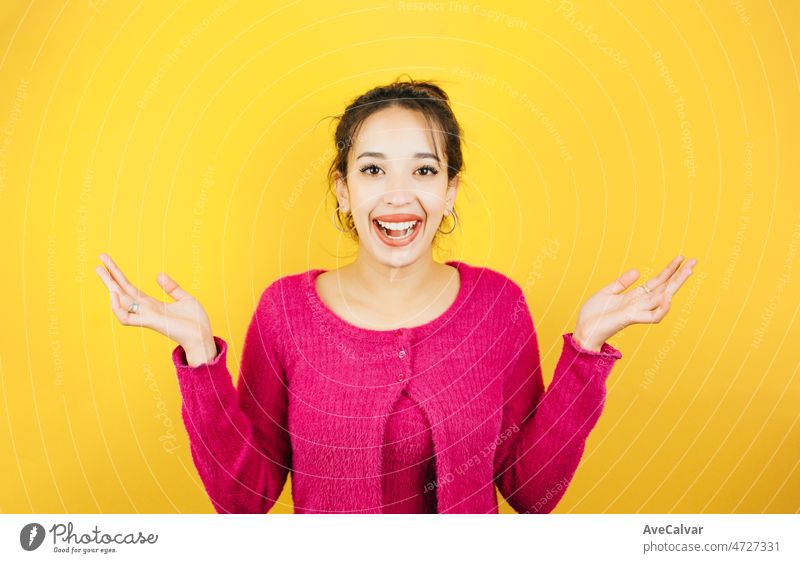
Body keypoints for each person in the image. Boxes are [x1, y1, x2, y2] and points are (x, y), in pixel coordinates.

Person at [95, 77, 697, 514]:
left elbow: (529, 493)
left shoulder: (498, 307)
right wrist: (201, 357)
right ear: (343, 188)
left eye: (425, 171)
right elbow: (243, 499)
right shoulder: (284, 313)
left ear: (452, 190)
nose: (399, 196)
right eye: (374, 170)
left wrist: (585, 352)